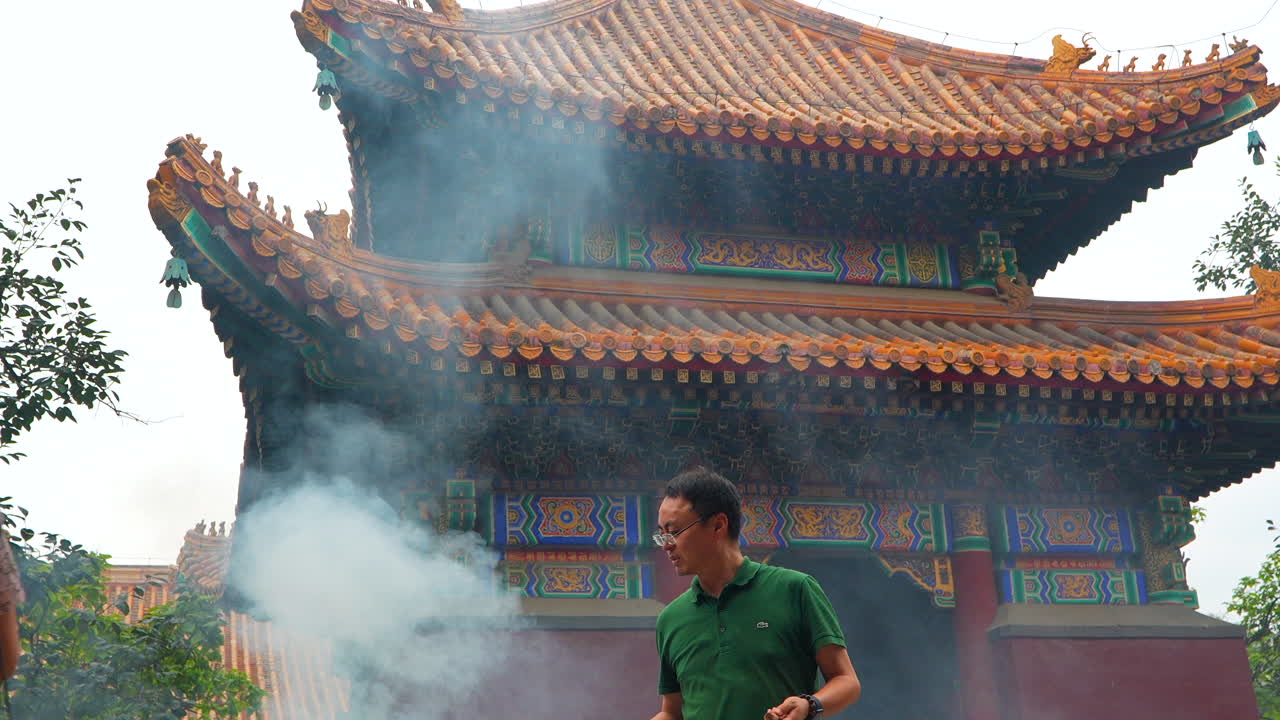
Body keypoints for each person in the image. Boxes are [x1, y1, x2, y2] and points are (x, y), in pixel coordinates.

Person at [651, 467, 861, 720]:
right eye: (661, 535)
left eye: (673, 532)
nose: (666, 545)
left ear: (718, 525)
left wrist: (809, 705)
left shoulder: (794, 589)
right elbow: (672, 712)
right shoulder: (671, 618)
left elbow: (846, 681)